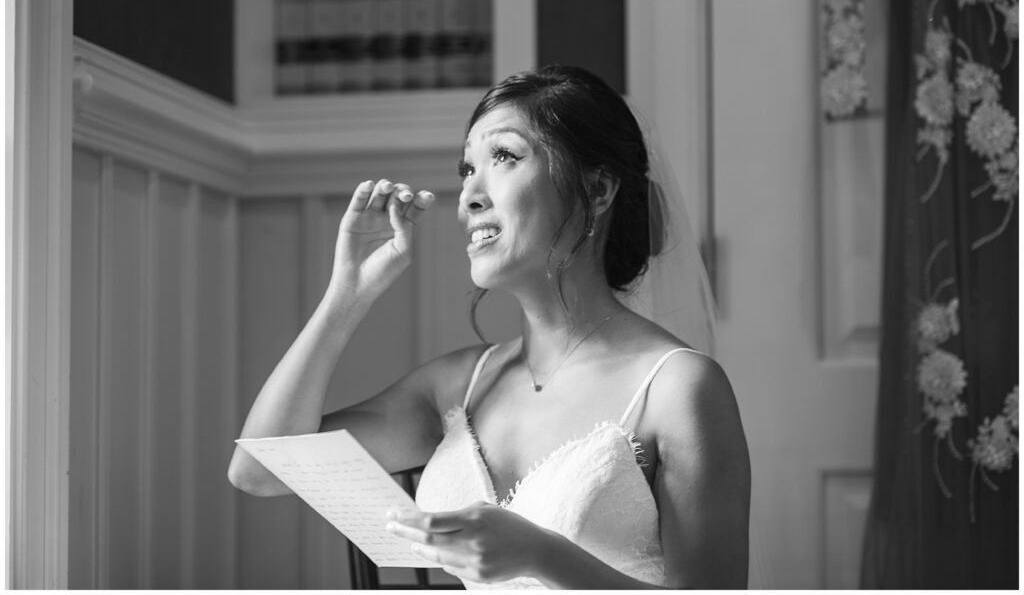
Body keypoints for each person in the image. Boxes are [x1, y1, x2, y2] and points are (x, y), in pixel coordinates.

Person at [228, 65, 750, 589]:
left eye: (503, 157)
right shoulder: (458, 387)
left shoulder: (679, 389)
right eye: (465, 169)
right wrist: (347, 294)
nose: (469, 195)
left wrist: (544, 556)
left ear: (597, 190)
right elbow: (259, 469)